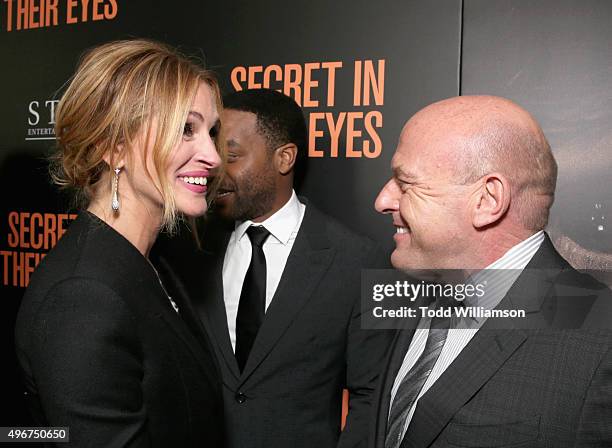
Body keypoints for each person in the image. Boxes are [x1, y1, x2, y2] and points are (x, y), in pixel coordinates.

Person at [15, 39, 224, 447]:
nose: (213, 156)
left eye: (211, 131)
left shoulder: (151, 261)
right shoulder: (84, 297)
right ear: (114, 147)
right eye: (186, 129)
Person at [155, 88, 392, 448]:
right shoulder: (187, 248)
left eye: (231, 155)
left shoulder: (357, 261)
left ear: (284, 158)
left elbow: (371, 396)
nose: (214, 170)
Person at [371, 95, 612, 447]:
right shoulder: (421, 290)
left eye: (406, 183)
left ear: (487, 201)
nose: (382, 200)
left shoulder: (601, 339)